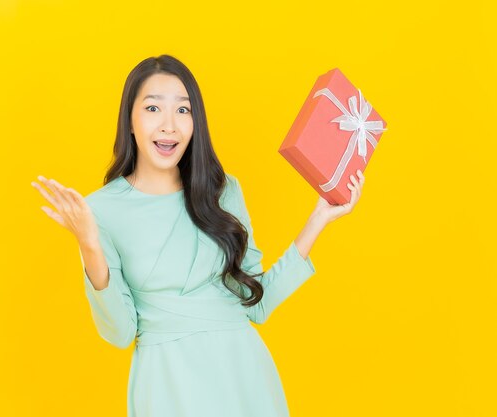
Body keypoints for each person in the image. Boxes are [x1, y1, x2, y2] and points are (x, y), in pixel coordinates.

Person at [31, 54, 365, 417]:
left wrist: (319, 218)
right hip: (167, 386)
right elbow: (120, 333)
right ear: (129, 120)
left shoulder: (223, 191)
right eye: (153, 108)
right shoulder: (99, 211)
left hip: (244, 378)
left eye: (184, 110)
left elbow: (259, 304)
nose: (169, 125)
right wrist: (88, 244)